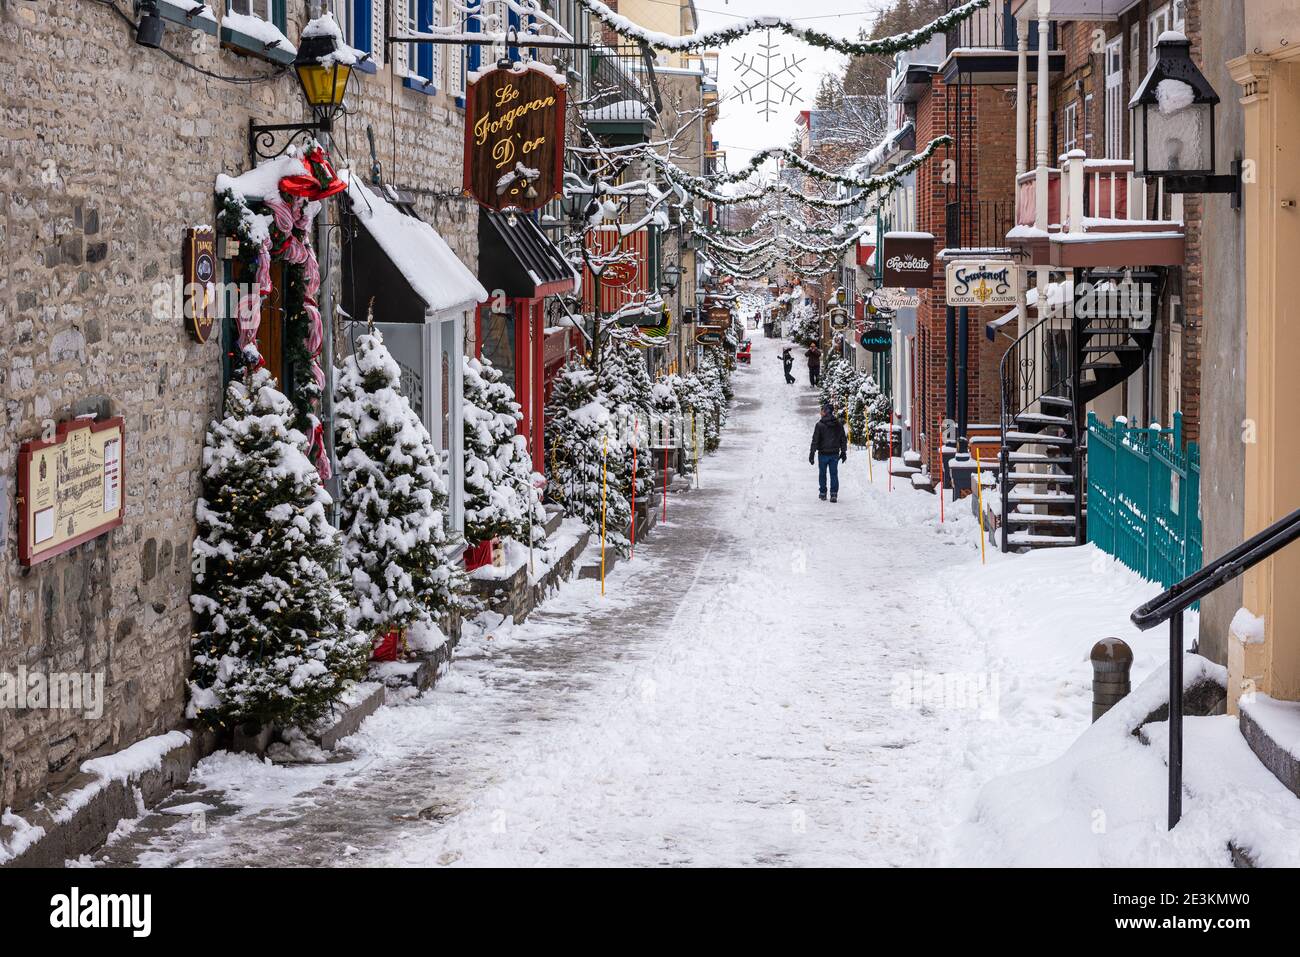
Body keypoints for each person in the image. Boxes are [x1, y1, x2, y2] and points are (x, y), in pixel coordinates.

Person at [809, 401, 848, 502]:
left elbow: (815, 440)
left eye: (822, 411)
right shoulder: (838, 424)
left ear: (826, 412)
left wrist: (812, 453)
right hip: (834, 454)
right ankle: (833, 494)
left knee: (822, 474)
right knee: (834, 474)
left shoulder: (819, 425)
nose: (820, 412)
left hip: (822, 454)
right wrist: (843, 452)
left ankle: (823, 493)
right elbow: (843, 439)